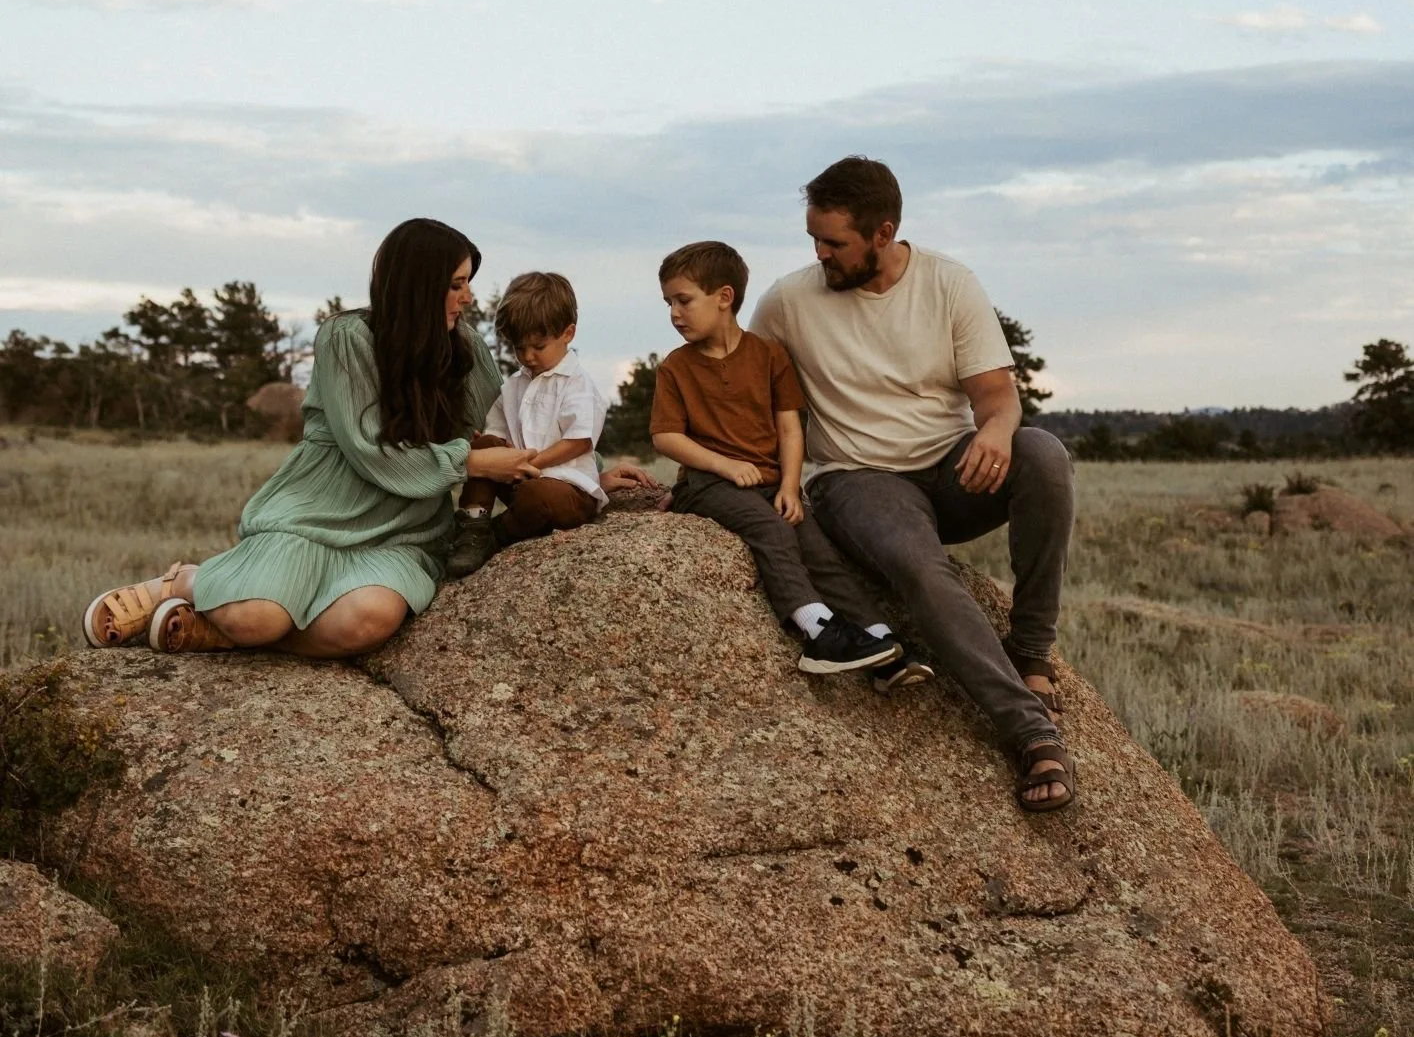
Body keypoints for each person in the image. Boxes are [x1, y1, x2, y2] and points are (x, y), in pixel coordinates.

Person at [80, 219, 654, 660]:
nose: (468, 298)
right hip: (321, 509)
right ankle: (187, 582)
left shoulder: (469, 351)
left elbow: (513, 427)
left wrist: (584, 470)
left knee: (367, 622)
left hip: (405, 528)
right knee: (258, 613)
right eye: (456, 284)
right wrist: (468, 459)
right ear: (417, 286)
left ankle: (224, 633)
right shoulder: (347, 339)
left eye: (468, 284)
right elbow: (370, 450)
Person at [750, 157, 1077, 813]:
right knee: (920, 569)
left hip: (950, 466)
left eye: (834, 243)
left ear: (883, 232)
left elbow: (997, 398)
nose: (821, 255)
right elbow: (740, 384)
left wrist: (994, 431)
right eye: (813, 239)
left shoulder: (948, 282)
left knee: (1042, 455)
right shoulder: (789, 301)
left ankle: (1032, 651)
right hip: (858, 478)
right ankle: (1031, 732)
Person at [651, 239, 930, 687]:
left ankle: (883, 644)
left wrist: (790, 485)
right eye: (669, 303)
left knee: (819, 551)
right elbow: (666, 436)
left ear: (725, 297)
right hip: (708, 484)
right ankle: (817, 631)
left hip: (769, 481)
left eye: (683, 301)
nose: (674, 314)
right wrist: (723, 466)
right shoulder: (676, 368)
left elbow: (789, 428)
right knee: (772, 531)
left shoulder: (768, 356)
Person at [458, 271, 607, 551]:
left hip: (566, 487)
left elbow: (579, 441)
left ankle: (497, 535)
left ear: (568, 333)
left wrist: (531, 463)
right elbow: (497, 429)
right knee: (481, 448)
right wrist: (493, 444)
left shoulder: (577, 384)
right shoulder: (515, 386)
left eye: (539, 346)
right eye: (519, 347)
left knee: (539, 496)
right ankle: (472, 522)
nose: (528, 356)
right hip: (520, 478)